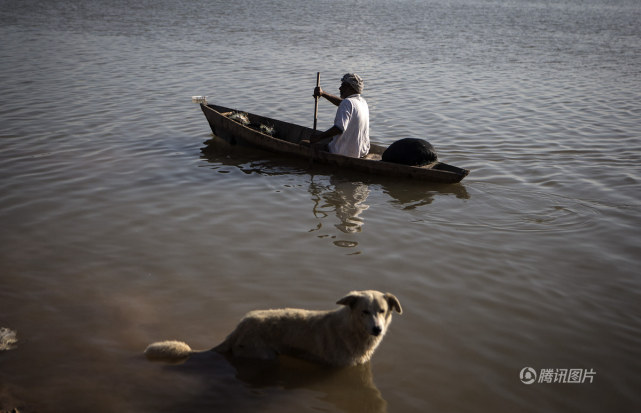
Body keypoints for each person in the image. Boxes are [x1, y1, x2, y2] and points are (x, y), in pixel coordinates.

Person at [310, 73, 370, 158]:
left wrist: (318, 137)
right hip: (362, 152)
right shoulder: (362, 102)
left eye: (343, 85)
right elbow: (342, 103)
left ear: (350, 88)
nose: (340, 88)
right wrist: (323, 93)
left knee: (303, 144)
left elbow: (339, 128)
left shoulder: (347, 103)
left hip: (342, 152)